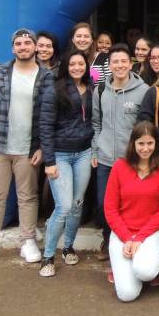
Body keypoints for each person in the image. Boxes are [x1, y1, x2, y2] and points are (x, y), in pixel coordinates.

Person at [0, 29, 54, 268]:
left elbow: (49, 116)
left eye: (27, 43)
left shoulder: (46, 77)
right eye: (18, 44)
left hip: (28, 149)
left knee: (28, 197)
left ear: (35, 47)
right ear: (13, 48)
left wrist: (43, 147)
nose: (23, 47)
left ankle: (28, 241)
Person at [38, 49, 94, 277]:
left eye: (81, 64)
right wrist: (49, 161)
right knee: (63, 206)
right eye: (72, 64)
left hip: (84, 153)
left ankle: (68, 247)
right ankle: (48, 256)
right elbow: (45, 126)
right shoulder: (55, 89)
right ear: (65, 67)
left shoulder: (91, 89)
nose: (77, 68)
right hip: (60, 154)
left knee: (77, 203)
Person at [104, 121, 159, 302]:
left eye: (150, 143)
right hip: (122, 233)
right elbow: (110, 209)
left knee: (144, 271)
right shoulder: (119, 167)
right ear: (133, 144)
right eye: (141, 143)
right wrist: (127, 238)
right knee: (127, 295)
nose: (145, 148)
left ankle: (143, 267)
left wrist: (139, 238)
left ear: (156, 143)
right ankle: (126, 268)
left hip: (151, 233)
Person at [92, 43, 149, 261]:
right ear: (109, 65)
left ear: (130, 63)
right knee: (104, 204)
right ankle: (108, 240)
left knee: (131, 205)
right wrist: (96, 149)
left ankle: (129, 241)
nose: (120, 65)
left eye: (124, 61)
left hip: (132, 160)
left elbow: (146, 127)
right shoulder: (100, 90)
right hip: (106, 158)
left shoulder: (143, 91)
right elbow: (96, 123)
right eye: (115, 62)